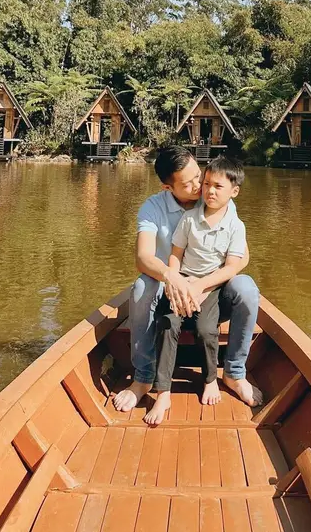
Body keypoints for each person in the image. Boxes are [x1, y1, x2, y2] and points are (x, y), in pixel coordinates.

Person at [112, 145, 262, 412]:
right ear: (168, 188)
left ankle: (234, 373)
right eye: (189, 182)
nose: (199, 187)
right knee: (141, 287)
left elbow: (242, 259)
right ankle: (143, 379)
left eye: (198, 176)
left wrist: (201, 285)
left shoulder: (216, 197)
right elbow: (143, 257)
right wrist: (172, 277)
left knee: (247, 288)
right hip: (167, 294)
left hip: (211, 292)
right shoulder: (153, 207)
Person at [144, 156, 247, 425]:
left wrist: (202, 287)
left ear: (233, 192)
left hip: (211, 286)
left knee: (205, 329)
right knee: (167, 324)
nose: (209, 190)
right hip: (183, 283)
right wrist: (177, 283)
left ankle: (211, 378)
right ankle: (162, 391)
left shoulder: (235, 224)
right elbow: (175, 254)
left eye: (216, 186)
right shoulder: (189, 219)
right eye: (207, 184)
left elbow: (234, 265)